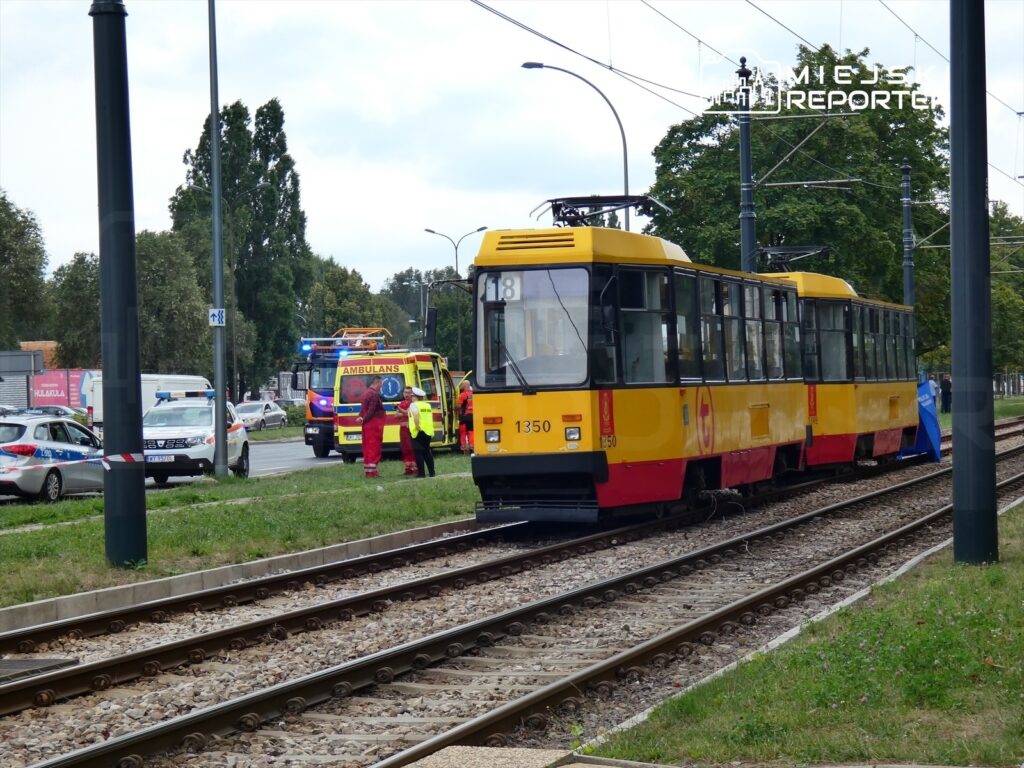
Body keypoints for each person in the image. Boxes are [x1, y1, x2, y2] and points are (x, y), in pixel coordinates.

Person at [355, 375, 385, 478]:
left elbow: (363, 409)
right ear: (377, 383)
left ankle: (368, 471)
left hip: (366, 426)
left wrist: (360, 418)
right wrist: (363, 418)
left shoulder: (365, 393)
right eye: (381, 384)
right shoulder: (374, 394)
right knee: (374, 447)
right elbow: (371, 411)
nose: (381, 386)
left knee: (367, 447)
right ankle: (372, 472)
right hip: (373, 425)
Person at [407, 387, 435, 478]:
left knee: (418, 452)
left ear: (416, 397)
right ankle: (432, 472)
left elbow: (415, 415)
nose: (411, 397)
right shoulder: (427, 405)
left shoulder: (413, 405)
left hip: (418, 431)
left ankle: (421, 474)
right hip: (428, 431)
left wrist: (417, 425)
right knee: (427, 451)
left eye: (412, 396)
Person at [396, 385, 418, 476]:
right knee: (405, 448)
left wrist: (400, 411)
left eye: (409, 393)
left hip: (410, 429)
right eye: (405, 392)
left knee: (412, 448)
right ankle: (408, 468)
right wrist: (402, 413)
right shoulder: (402, 403)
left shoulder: (413, 403)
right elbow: (396, 415)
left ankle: (415, 468)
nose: (407, 394)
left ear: (412, 394)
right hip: (402, 429)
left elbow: (408, 413)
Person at [457, 381, 474, 454]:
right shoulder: (474, 394)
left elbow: (459, 406)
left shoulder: (462, 395)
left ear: (464, 386)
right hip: (472, 416)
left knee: (463, 433)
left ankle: (464, 449)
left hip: (464, 417)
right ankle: (472, 448)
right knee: (471, 432)